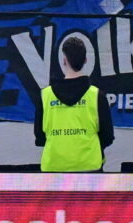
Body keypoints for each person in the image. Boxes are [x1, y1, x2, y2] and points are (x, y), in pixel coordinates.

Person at [35, 34, 113, 172]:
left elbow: (40, 137)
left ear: (64, 60)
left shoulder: (45, 95)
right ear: (85, 60)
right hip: (90, 166)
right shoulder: (97, 96)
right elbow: (107, 137)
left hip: (54, 167)